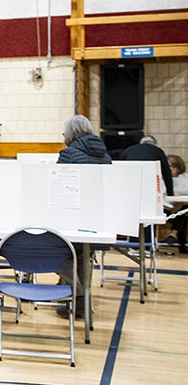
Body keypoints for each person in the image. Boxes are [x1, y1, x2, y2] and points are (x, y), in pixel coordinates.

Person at [54, 115, 111, 317]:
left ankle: (77, 296)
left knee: (61, 253)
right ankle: (81, 298)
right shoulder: (105, 155)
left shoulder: (68, 154)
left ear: (69, 134)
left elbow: (58, 185)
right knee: (84, 255)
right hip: (97, 216)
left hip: (72, 214)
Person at [166, 154, 187, 254]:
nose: (170, 169)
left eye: (173, 167)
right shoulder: (163, 179)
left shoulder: (185, 178)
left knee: (184, 211)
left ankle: (174, 233)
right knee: (182, 214)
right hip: (166, 207)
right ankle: (174, 234)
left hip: (180, 205)